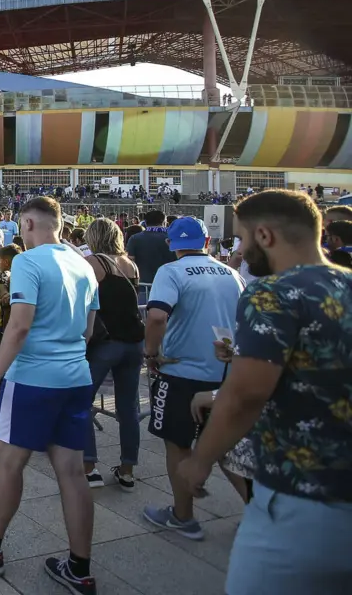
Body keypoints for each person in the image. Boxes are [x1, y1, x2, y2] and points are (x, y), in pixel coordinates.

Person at [178, 189, 352, 593]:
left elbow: (247, 394)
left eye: (241, 238)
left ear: (265, 236)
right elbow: (317, 370)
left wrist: (199, 460)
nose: (238, 248)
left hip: (302, 496)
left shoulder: (272, 292)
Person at [0, 197, 99, 593]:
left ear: (29, 223)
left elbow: (18, 327)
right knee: (71, 471)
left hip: (32, 378)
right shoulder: (83, 264)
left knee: (9, 463)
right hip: (75, 377)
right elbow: (87, 329)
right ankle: (80, 567)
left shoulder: (27, 262)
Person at [141, 216, 244, 540]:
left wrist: (151, 353)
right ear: (207, 242)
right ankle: (257, 514)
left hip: (181, 373)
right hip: (224, 373)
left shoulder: (170, 272)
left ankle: (183, 516)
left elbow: (157, 315)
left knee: (178, 444)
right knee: (226, 447)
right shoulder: (231, 274)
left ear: (171, 245)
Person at [79, 218, 145, 491]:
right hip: (134, 341)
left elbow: (84, 300)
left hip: (106, 342)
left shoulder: (95, 263)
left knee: (81, 402)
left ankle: (89, 467)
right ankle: (127, 470)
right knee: (129, 408)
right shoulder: (129, 263)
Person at [126, 209, 175, 285]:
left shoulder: (135, 238)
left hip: (143, 285)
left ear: (145, 223)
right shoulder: (174, 238)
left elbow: (130, 262)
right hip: (170, 284)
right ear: (164, 222)